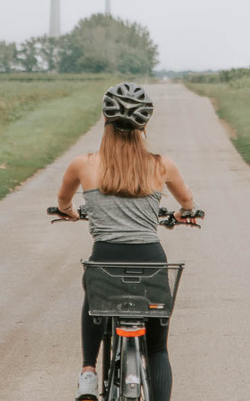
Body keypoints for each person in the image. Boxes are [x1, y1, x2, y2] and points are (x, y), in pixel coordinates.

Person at [55, 82, 199, 401]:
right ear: (144, 125)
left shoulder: (83, 164)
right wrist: (183, 213)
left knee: (94, 295)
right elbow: (188, 202)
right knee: (158, 348)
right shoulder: (162, 165)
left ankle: (89, 373)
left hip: (106, 258)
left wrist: (70, 212)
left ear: (104, 120)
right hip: (150, 261)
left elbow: (63, 202)